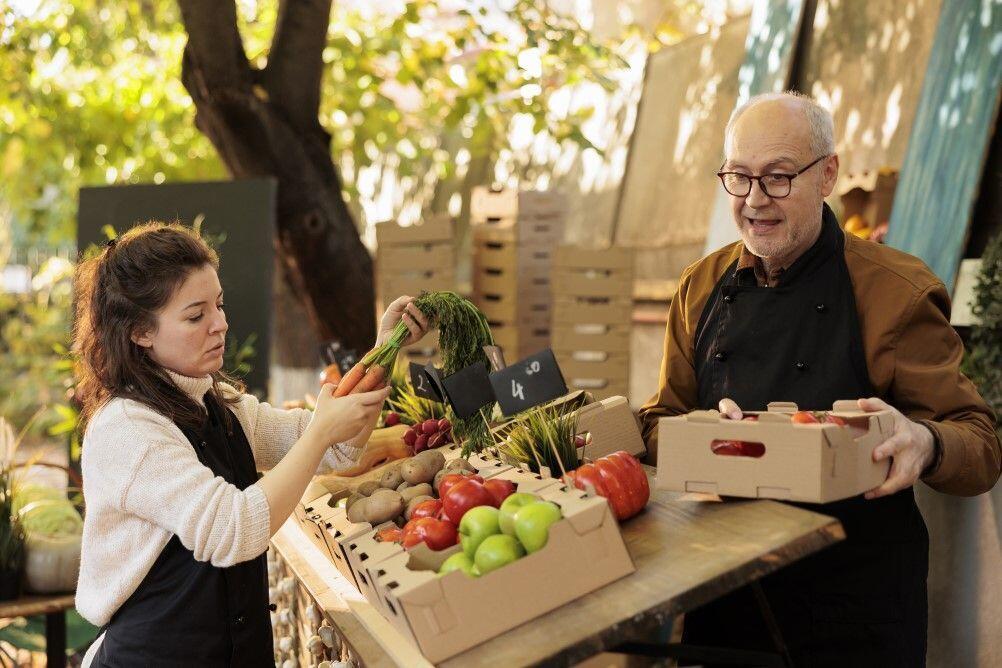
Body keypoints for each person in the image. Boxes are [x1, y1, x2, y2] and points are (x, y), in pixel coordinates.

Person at [639, 92, 1000, 666]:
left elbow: (979, 442)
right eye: (739, 177)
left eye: (779, 178)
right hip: (728, 604)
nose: (755, 201)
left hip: (854, 612)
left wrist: (925, 442)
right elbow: (658, 422)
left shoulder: (894, 292)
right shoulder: (699, 288)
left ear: (826, 173)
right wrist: (702, 434)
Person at [73, 222, 430, 666]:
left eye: (219, 306)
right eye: (195, 315)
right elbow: (232, 530)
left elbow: (338, 449)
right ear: (140, 332)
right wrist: (320, 431)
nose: (220, 324)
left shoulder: (216, 403)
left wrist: (385, 347)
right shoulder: (126, 429)